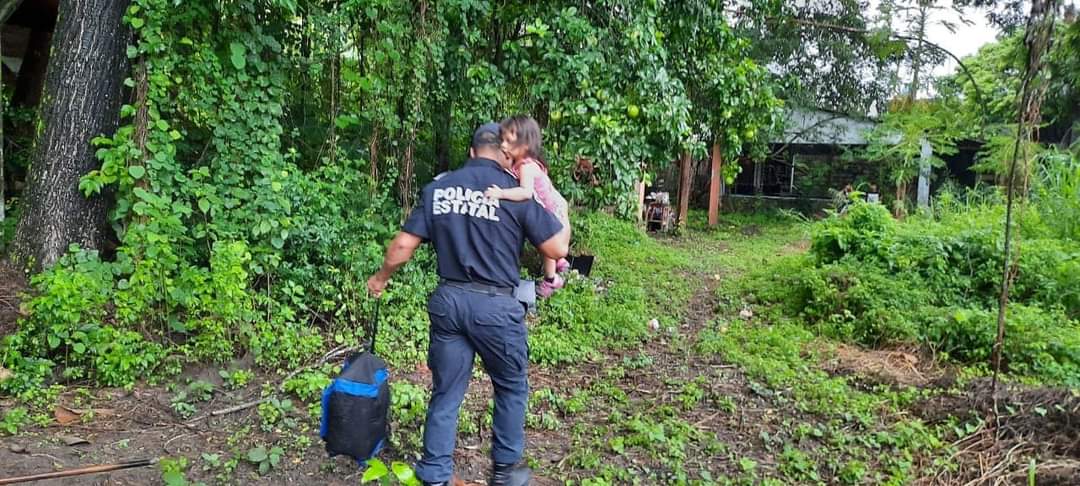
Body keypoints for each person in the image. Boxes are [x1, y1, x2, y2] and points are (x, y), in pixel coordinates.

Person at [367, 123, 569, 486]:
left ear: (472, 151)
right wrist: (557, 209)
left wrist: (380, 278)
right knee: (510, 386)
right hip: (496, 308)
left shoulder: (440, 187)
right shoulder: (513, 190)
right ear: (506, 155)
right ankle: (506, 473)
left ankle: (435, 472)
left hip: (450, 303)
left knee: (446, 391)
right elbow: (556, 249)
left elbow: (402, 247)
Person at [484, 115, 571, 298]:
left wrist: (501, 193)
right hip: (553, 210)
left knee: (544, 244)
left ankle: (551, 280)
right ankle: (560, 262)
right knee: (546, 244)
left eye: (509, 141)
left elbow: (525, 193)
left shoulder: (526, 167)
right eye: (503, 140)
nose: (503, 145)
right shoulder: (524, 164)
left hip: (554, 215)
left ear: (524, 146)